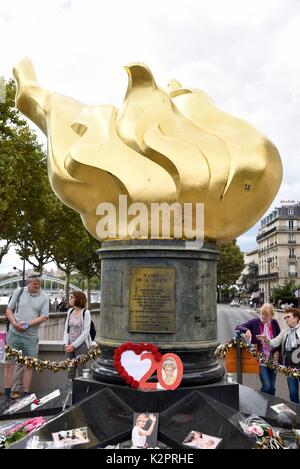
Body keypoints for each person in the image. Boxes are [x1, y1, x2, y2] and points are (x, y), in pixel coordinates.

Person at [4, 274, 49, 401]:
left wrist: (28, 324)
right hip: (14, 334)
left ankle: (25, 394)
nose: (38, 286)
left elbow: (44, 316)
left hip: (31, 337)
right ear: (29, 283)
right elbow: (9, 310)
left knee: (28, 365)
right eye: (35, 284)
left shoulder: (44, 297)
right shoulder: (19, 292)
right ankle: (7, 394)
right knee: (9, 364)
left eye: (39, 283)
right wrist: (14, 323)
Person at [235, 303, 281, 395]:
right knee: (267, 386)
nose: (263, 316)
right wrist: (247, 330)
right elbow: (238, 327)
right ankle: (260, 401)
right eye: (262, 314)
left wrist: (277, 352)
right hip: (261, 359)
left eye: (266, 315)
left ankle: (269, 407)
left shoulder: (274, 323)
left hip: (273, 359)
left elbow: (279, 339)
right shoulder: (254, 322)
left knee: (272, 388)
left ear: (272, 315)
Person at [257, 308, 300, 403]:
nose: (286, 319)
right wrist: (267, 339)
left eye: (288, 317)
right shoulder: (285, 332)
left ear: (296, 318)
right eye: (285, 318)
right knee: (293, 395)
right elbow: (274, 343)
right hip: (290, 369)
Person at [63, 291, 92, 379]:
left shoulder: (86, 313)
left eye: (71, 297)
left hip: (81, 345)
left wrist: (74, 345)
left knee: (81, 370)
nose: (69, 299)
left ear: (78, 299)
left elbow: (86, 332)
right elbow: (66, 329)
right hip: (69, 345)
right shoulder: (70, 311)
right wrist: (66, 343)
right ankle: (70, 390)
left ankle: (81, 390)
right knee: (70, 370)